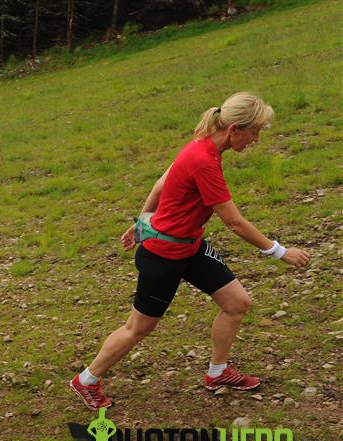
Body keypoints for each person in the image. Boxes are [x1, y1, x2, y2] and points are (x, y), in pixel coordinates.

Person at [70, 92, 311, 410]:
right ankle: (86, 380)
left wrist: (141, 222)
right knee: (138, 328)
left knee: (236, 303)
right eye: (254, 132)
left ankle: (217, 372)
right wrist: (279, 252)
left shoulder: (203, 146)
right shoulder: (203, 161)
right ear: (234, 129)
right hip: (163, 256)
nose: (256, 139)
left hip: (190, 247)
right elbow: (234, 222)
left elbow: (161, 184)